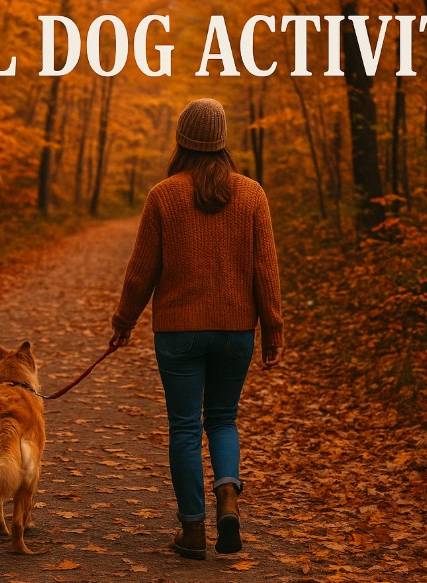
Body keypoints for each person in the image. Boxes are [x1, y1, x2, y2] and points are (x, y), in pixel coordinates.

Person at [109, 98, 284, 560]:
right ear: (222, 142)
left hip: (178, 333)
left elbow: (140, 271)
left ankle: (192, 530)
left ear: (182, 141)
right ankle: (228, 494)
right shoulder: (252, 194)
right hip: (235, 331)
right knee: (223, 418)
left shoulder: (164, 195)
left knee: (185, 427)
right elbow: (266, 268)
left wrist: (123, 322)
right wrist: (273, 331)